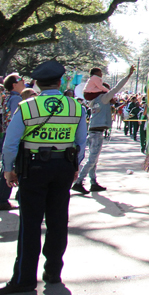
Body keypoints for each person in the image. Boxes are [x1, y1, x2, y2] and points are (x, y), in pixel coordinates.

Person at [0, 60, 87, 293]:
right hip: (64, 168)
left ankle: (24, 279)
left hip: (34, 168)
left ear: (37, 84)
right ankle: (53, 272)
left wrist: (8, 169)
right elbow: (81, 142)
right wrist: (75, 166)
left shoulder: (27, 107)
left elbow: (10, 143)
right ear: (60, 82)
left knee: (30, 225)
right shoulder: (76, 107)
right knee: (58, 221)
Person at [72, 65, 135, 195]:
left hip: (92, 131)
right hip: (97, 132)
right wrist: (128, 76)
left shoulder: (94, 100)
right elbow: (117, 88)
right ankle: (78, 181)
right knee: (93, 159)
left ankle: (93, 182)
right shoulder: (103, 98)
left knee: (93, 159)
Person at [0, 73, 26, 211]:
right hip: (13, 136)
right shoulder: (16, 99)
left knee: (6, 165)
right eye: (21, 80)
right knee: (12, 167)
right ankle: (3, 198)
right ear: (14, 84)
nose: (23, 82)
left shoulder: (7, 97)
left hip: (5, 135)